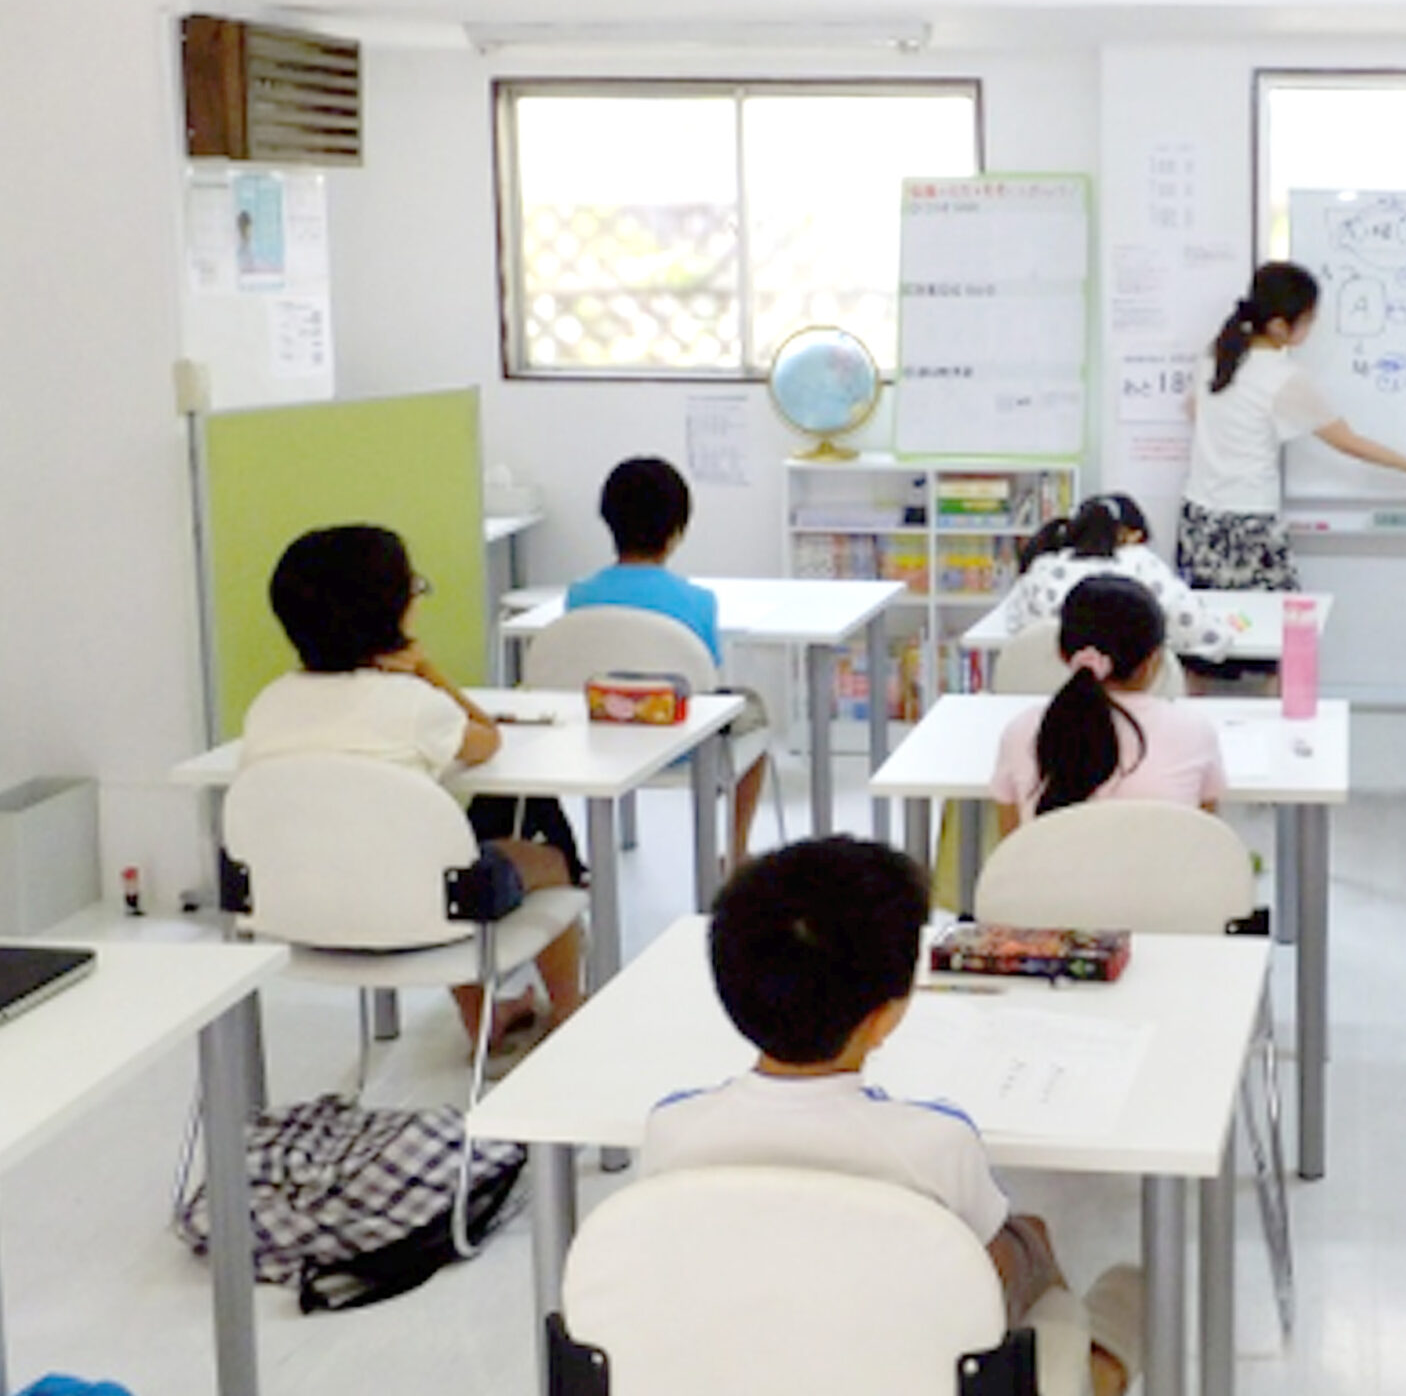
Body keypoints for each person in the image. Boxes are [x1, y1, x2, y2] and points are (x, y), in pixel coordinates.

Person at [643, 838, 1140, 1396]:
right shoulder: (935, 1144)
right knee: (1080, 1267)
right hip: (912, 1371)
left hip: (735, 1369)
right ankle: (1092, 1374)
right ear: (885, 1017)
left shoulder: (672, 1133)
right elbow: (986, 1280)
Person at [239, 524, 583, 1046]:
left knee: (450, 851)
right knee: (544, 861)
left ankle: (484, 1017)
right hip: (419, 908)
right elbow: (488, 740)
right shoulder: (415, 706)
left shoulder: (267, 707)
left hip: (298, 910)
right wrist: (426, 670)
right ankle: (568, 1014)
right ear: (390, 610)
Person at [1177, 260, 1406, 592]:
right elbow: (1348, 442)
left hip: (1198, 518)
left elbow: (1194, 410)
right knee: (1282, 628)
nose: (1313, 326)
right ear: (1280, 326)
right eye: (1308, 320)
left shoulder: (1214, 357)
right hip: (1249, 521)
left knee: (1211, 629)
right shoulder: (1283, 378)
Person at [565, 456, 770, 865]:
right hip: (683, 742)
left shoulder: (579, 596)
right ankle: (736, 850)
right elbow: (706, 682)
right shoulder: (697, 601)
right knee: (756, 711)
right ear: (677, 531)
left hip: (600, 736)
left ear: (609, 522)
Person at [993, 576, 1226, 835]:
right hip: (1160, 876)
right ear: (1154, 661)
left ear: (1063, 653)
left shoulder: (1022, 731)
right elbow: (1202, 835)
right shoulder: (1194, 732)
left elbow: (1012, 848)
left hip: (1052, 876)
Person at [985, 493, 1232, 661]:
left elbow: (1018, 631)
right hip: (1131, 702)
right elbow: (1199, 631)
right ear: (1131, 535)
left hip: (1055, 708)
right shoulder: (1142, 565)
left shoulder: (1043, 569)